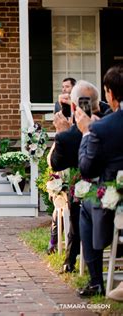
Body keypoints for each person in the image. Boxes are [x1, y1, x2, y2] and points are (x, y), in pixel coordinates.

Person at [74, 65, 123, 297]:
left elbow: (86, 167)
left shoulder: (102, 127)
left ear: (110, 94)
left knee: (85, 204)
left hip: (114, 200)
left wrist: (86, 132)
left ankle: (96, 281)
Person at [48, 80, 102, 274]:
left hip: (88, 192)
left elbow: (56, 163)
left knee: (77, 197)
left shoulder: (69, 136)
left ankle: (73, 261)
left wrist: (61, 132)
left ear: (73, 106)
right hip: (110, 187)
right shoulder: (110, 121)